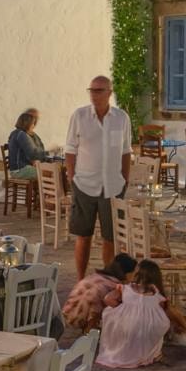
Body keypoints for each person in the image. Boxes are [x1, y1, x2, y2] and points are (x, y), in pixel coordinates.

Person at [65, 75, 131, 279]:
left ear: (109, 93)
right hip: (84, 184)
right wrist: (72, 177)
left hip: (113, 186)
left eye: (98, 90)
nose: (94, 94)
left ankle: (107, 280)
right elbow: (70, 149)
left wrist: (124, 179)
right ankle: (80, 278)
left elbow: (125, 150)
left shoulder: (121, 118)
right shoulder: (80, 116)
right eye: (91, 90)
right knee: (83, 235)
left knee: (110, 238)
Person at [97, 260, 186, 369]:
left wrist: (122, 308)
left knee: (110, 314)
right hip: (150, 330)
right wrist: (182, 325)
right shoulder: (156, 293)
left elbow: (108, 299)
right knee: (155, 326)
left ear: (136, 274)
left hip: (128, 327)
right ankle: (151, 354)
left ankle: (123, 351)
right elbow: (170, 311)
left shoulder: (125, 289)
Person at [62, 253, 137, 332]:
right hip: (87, 322)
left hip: (67, 315)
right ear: (127, 274)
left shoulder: (93, 276)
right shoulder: (115, 286)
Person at [7, 109, 52, 179]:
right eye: (33, 123)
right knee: (51, 173)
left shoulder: (19, 133)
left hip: (23, 168)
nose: (34, 126)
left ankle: (42, 186)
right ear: (27, 123)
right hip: (19, 170)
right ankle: (43, 186)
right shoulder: (21, 134)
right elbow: (33, 154)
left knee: (51, 170)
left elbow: (33, 151)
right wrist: (50, 152)